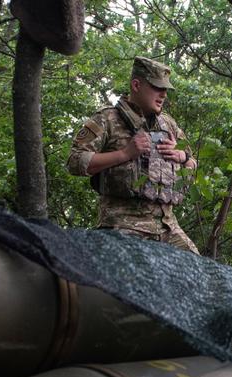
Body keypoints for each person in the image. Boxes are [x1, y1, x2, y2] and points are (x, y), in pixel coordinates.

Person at [67, 56, 199, 254]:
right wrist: (125, 154)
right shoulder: (107, 119)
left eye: (165, 90)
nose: (163, 94)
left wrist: (182, 157)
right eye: (157, 87)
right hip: (123, 226)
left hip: (168, 227)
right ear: (136, 85)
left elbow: (193, 163)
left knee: (203, 274)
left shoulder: (168, 125)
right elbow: (74, 161)